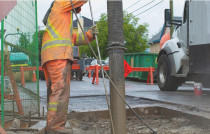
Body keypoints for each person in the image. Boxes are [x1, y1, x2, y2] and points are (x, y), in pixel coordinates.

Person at [39, 0, 98, 133]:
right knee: (60, 92)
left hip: (51, 56)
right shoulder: (60, 3)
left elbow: (73, 38)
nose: (80, 7)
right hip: (58, 55)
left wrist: (90, 35)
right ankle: (55, 127)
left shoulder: (61, 20)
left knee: (54, 93)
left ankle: (51, 125)